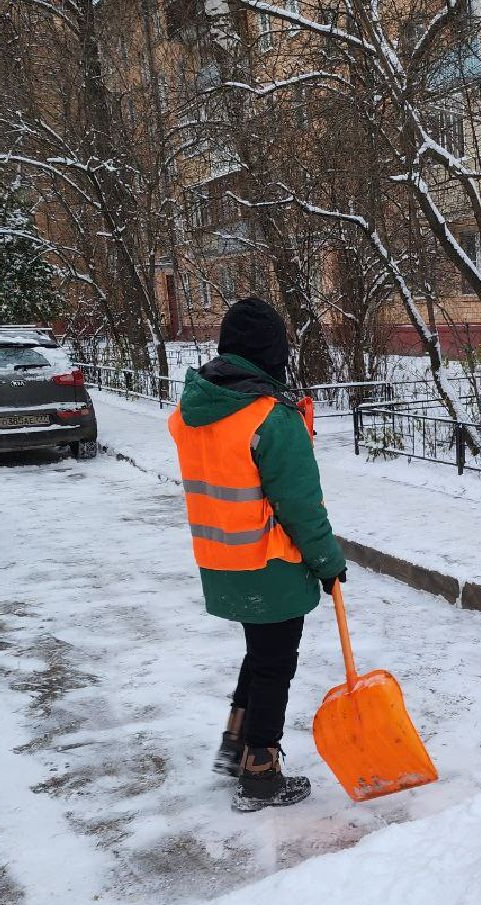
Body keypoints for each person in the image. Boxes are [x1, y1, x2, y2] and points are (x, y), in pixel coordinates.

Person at [168, 298, 347, 812]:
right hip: (270, 562)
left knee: (260, 653)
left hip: (220, 559)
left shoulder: (194, 411)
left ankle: (235, 743)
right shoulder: (270, 417)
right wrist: (328, 561)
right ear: (273, 350)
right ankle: (261, 771)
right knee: (274, 663)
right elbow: (301, 506)